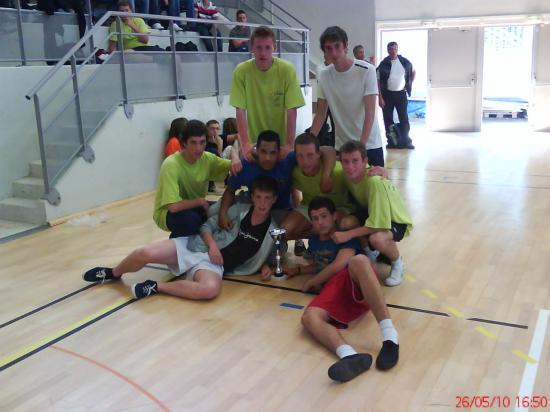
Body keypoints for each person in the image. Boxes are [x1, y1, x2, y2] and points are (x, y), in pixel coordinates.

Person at [83, 176, 279, 300]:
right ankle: (113, 273)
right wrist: (212, 246)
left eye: (268, 198)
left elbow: (273, 255)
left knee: (209, 290)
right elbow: (206, 226)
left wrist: (266, 267)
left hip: (213, 266)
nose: (262, 203)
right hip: (196, 245)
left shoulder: (274, 231)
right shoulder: (237, 211)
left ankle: (155, 287)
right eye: (259, 197)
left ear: (274, 199)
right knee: (144, 252)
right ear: (252, 197)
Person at [277, 196, 400, 382]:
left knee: (358, 261)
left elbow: (338, 264)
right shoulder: (316, 241)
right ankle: (348, 355)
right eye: (315, 218)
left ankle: (390, 337)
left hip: (356, 283)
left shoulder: (343, 236)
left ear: (334, 216)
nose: (320, 222)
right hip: (334, 290)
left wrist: (311, 282)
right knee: (309, 317)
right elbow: (321, 265)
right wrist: (299, 270)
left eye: (324, 216)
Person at [336, 141, 413, 286]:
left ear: (365, 161)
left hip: (394, 219)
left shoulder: (374, 181)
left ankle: (397, 263)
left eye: (355, 161)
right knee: (346, 222)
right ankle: (371, 254)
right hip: (373, 213)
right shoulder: (346, 175)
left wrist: (346, 235)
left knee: (377, 239)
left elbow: (378, 225)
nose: (350, 166)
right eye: (345, 161)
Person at [153, 119, 242, 238]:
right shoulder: (171, 164)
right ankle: (176, 249)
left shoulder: (207, 159)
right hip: (167, 213)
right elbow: (173, 207)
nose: (199, 148)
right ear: (184, 143)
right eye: (193, 143)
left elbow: (234, 164)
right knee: (191, 220)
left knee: (227, 209)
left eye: (202, 142)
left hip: (196, 206)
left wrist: (235, 157)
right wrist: (199, 201)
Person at [310, 26, 384, 167]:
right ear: (324, 51)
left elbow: (370, 112)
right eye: (328, 48)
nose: (334, 52)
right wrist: (309, 142)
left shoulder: (367, 70)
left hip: (369, 145)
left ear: (346, 45)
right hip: (342, 147)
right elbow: (320, 114)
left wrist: (360, 148)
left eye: (337, 46)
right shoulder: (324, 75)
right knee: (346, 189)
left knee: (375, 188)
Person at [230, 26, 305, 161]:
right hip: (255, 145)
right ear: (251, 48)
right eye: (258, 47)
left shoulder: (287, 70)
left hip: (281, 144)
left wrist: (289, 144)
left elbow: (291, 110)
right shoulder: (241, 71)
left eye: (267, 47)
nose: (263, 53)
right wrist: (245, 144)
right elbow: (240, 110)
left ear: (274, 48)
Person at [377, 42, 415, 149]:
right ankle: (392, 141)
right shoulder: (383, 64)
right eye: (390, 49)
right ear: (387, 50)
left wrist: (409, 84)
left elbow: (413, 72)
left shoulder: (405, 62)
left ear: (397, 50)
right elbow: (378, 82)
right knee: (388, 119)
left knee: (404, 118)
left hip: (401, 94)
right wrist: (380, 98)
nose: (392, 51)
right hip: (387, 95)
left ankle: (406, 141)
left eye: (394, 49)